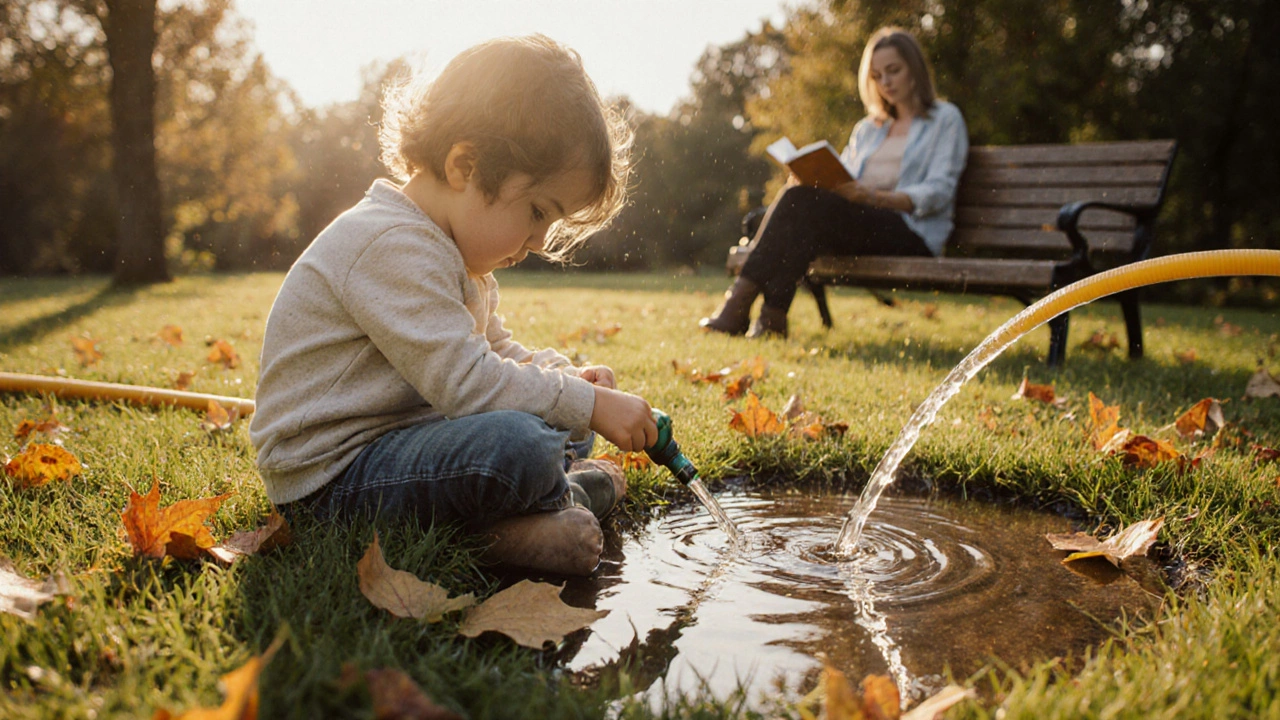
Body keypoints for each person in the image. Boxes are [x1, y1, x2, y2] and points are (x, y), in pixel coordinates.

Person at [249, 35, 658, 576]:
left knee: (563, 422)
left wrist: (574, 382)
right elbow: (468, 382)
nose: (538, 241)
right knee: (523, 445)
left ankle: (532, 510)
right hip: (332, 483)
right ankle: (505, 531)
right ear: (466, 165)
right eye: (537, 211)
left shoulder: (452, 252)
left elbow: (495, 349)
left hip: (402, 449)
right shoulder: (391, 244)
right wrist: (581, 403)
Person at [701, 27, 968, 338]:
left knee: (800, 205)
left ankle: (741, 306)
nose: (886, 83)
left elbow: (939, 190)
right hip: (860, 226)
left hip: (910, 231)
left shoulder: (945, 119)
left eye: (894, 71)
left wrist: (874, 197)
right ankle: (770, 319)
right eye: (877, 75)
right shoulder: (868, 129)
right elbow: (844, 178)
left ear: (915, 69)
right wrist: (813, 178)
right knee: (793, 204)